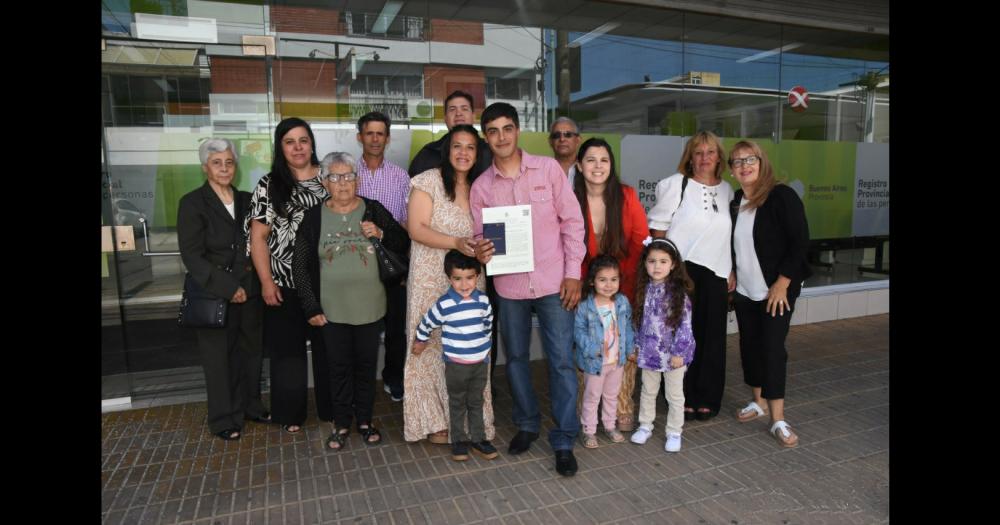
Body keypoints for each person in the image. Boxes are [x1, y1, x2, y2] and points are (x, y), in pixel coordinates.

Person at [471, 102, 586, 477]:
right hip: (509, 285)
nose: (501, 137)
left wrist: (573, 274)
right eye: (493, 131)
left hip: (554, 282)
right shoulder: (481, 186)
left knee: (562, 360)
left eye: (507, 128)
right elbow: (478, 235)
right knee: (516, 358)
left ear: (518, 131)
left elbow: (572, 222)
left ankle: (565, 437)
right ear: (486, 137)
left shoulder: (548, 169)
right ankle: (527, 424)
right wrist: (481, 249)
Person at [293, 152, 410, 451]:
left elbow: (403, 241)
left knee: (365, 366)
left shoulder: (373, 209)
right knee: (338, 367)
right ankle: (341, 423)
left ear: (357, 180)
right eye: (335, 177)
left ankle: (365, 421)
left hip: (370, 306)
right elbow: (301, 266)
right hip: (331, 311)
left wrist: (381, 232)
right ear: (324, 182)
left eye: (348, 176)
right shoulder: (313, 217)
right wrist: (311, 306)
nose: (342, 183)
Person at [403, 124, 495, 444]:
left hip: (469, 280)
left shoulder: (481, 187)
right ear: (447, 149)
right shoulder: (427, 181)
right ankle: (434, 421)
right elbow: (416, 228)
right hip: (430, 277)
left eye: (471, 147)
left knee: (466, 347)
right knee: (430, 346)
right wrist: (455, 241)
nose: (463, 153)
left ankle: (471, 420)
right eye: (457, 145)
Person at [245, 117, 333, 434]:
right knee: (288, 354)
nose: (297, 147)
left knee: (329, 352)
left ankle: (331, 410)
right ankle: (290, 414)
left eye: (303, 140)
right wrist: (267, 281)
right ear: (280, 147)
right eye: (289, 141)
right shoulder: (270, 185)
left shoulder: (329, 179)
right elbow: (257, 238)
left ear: (312, 143)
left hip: (327, 283)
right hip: (284, 283)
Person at [178, 138, 269, 441]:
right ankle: (222, 419)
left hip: (250, 291)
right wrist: (229, 288)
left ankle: (251, 408)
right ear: (205, 167)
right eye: (217, 162)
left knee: (251, 353)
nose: (224, 168)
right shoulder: (191, 203)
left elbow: (256, 242)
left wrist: (248, 284)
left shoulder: (246, 199)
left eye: (229, 162)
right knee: (219, 360)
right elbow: (192, 256)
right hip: (215, 294)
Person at [646, 131, 734, 421]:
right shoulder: (674, 185)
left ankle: (707, 397)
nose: (705, 158)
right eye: (698, 152)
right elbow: (658, 231)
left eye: (710, 152)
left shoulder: (728, 190)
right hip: (683, 272)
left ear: (719, 156)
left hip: (717, 272)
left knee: (711, 338)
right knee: (681, 335)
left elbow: (729, 235)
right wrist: (661, 272)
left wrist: (731, 268)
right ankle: (680, 396)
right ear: (689, 156)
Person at [727, 140, 811, 448]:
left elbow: (800, 242)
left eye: (750, 159)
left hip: (777, 291)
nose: (744, 165)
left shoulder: (781, 196)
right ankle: (758, 402)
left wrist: (783, 282)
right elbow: (736, 244)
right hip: (746, 290)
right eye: (737, 162)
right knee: (750, 345)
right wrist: (733, 271)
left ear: (761, 162)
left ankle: (778, 418)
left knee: (773, 349)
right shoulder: (736, 200)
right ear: (732, 170)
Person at [572, 137, 648, 431]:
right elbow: (565, 244)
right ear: (579, 165)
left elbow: (640, 240)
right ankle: (587, 407)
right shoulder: (570, 198)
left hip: (622, 284)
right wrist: (585, 285)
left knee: (622, 345)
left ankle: (624, 405)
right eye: (590, 160)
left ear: (611, 165)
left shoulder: (626, 195)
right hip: (583, 285)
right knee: (590, 344)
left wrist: (615, 284)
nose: (597, 166)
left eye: (604, 160)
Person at [412, 250, 498, 462]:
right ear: (449, 278)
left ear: (477, 276)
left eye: (469, 278)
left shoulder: (484, 301)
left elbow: (488, 325)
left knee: (476, 401)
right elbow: (427, 322)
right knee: (457, 403)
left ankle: (479, 439)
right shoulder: (444, 304)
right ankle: (459, 440)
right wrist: (420, 341)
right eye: (457, 279)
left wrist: (485, 349)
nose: (464, 284)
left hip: (480, 363)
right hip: (456, 365)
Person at [354, 111, 412, 402]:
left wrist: (406, 269)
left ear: (387, 139)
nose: (375, 139)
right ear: (359, 137)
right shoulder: (348, 174)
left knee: (395, 330)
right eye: (369, 133)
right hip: (357, 264)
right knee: (361, 328)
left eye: (380, 134)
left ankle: (393, 378)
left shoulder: (401, 177)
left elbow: (406, 225)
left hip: (391, 263)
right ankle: (359, 383)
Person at [629, 238, 695, 453]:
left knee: (674, 395)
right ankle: (645, 426)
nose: (657, 266)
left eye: (663, 261)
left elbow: (685, 325)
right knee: (648, 391)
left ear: (673, 264)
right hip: (649, 353)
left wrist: (679, 352)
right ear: (645, 264)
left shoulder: (678, 294)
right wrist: (636, 345)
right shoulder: (644, 290)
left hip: (674, 355)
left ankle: (674, 431)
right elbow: (639, 321)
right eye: (652, 261)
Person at [573, 255, 635, 449]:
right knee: (592, 397)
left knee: (611, 395)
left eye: (613, 280)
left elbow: (628, 328)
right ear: (592, 281)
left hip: (616, 360)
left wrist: (631, 349)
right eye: (602, 280)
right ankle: (589, 430)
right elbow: (578, 331)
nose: (608, 285)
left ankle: (609, 425)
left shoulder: (622, 302)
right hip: (595, 361)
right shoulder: (586, 306)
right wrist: (592, 348)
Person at [408, 90, 493, 178]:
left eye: (464, 109)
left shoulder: (491, 151)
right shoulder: (429, 153)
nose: (458, 113)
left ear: (473, 116)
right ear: (445, 118)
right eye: (452, 109)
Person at [548, 117, 582, 183]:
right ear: (550, 142)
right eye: (557, 135)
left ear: (578, 140)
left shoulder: (587, 169)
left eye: (568, 135)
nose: (562, 139)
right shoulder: (542, 170)